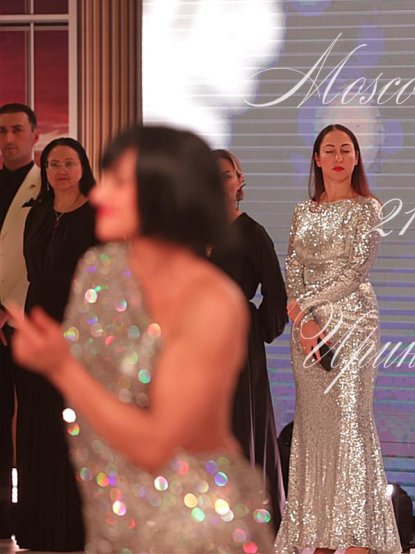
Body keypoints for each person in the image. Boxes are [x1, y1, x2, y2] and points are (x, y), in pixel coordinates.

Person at [5, 126, 274, 552]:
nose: (99, 194)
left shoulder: (211, 299)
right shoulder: (102, 269)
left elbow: (156, 444)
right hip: (114, 514)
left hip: (190, 523)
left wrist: (61, 367)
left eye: (119, 183)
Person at [276, 124, 400, 554]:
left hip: (351, 323)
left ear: (356, 157)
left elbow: (355, 272)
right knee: (315, 426)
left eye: (346, 150)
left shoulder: (368, 208)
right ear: (317, 159)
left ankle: (356, 535)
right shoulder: (303, 211)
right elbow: (292, 267)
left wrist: (306, 307)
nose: (338, 157)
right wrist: (302, 318)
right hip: (306, 330)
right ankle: (320, 533)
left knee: (350, 423)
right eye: (329, 150)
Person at [14, 137, 97, 551]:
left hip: (80, 334)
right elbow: (33, 274)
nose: (61, 171)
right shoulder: (38, 213)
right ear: (45, 172)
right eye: (52, 164)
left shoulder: (98, 215)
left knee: (72, 431)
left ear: (83, 167)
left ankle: (75, 531)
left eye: (69, 163)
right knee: (37, 427)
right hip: (36, 330)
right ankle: (38, 528)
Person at [208, 148, 288, 530]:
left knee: (240, 433)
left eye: (225, 175)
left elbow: (276, 296)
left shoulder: (254, 233)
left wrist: (254, 326)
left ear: (240, 182)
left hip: (238, 348)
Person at [0, 103, 40, 538]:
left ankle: (31, 517)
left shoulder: (45, 186)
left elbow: (42, 260)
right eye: (2, 132)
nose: (8, 139)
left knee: (30, 421)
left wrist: (8, 308)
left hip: (24, 320)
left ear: (34, 135)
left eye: (16, 130)